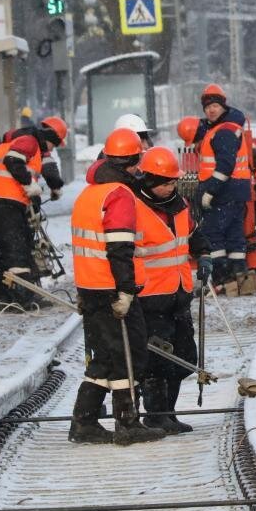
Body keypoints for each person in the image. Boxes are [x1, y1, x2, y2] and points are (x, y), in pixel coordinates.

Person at [67, 128, 165, 446]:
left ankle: (85, 420)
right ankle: (127, 422)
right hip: (112, 287)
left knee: (105, 356)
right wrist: (125, 290)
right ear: (134, 161)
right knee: (128, 354)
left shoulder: (89, 193)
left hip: (91, 286)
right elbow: (119, 248)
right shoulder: (119, 195)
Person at [133, 147, 211, 435]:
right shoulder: (135, 209)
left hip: (178, 294)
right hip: (151, 297)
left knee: (183, 357)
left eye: (172, 182)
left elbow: (193, 235)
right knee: (157, 359)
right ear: (150, 181)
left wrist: (204, 254)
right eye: (165, 183)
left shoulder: (179, 206)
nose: (170, 188)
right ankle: (156, 414)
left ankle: (170, 412)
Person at [0, 116, 68, 306]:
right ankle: (24, 299)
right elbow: (14, 163)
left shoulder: (7, 145)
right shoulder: (30, 142)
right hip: (8, 202)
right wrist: (29, 183)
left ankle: (7, 295)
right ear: (50, 140)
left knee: (9, 249)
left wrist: (37, 196)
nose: (50, 151)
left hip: (1, 202)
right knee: (17, 250)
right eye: (53, 146)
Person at [195, 83, 252, 286]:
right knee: (235, 235)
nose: (211, 110)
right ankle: (240, 278)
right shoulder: (231, 127)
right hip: (237, 191)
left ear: (223, 107)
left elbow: (225, 165)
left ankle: (222, 278)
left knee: (213, 233)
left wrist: (210, 191)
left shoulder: (223, 131)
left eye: (215, 106)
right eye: (207, 107)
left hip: (223, 192)